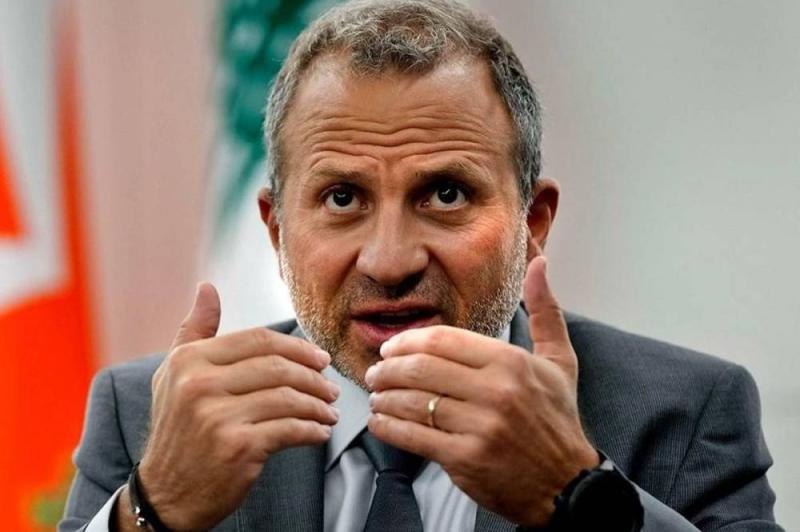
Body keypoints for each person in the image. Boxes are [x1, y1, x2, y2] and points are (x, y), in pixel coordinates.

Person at [60, 1, 781, 531]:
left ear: (533, 223)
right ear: (277, 230)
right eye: (342, 198)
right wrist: (148, 512)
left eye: (446, 194)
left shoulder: (681, 410)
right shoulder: (145, 416)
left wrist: (579, 496)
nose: (390, 261)